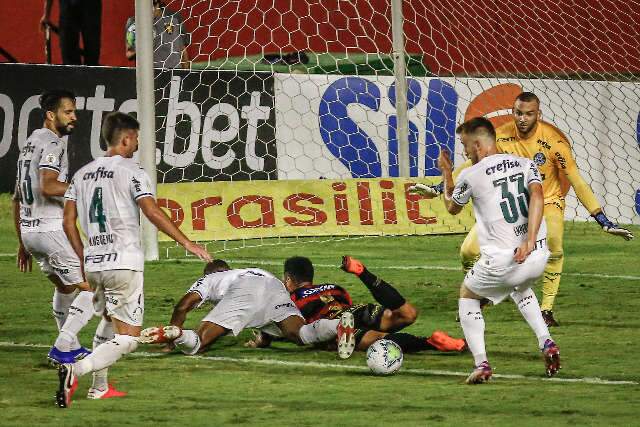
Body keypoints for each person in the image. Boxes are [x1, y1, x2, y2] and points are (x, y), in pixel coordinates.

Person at [412, 92, 634, 326]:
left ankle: (546, 309)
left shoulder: (554, 143)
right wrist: (440, 187)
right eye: (518, 113)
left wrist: (602, 219)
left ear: (539, 114)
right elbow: (474, 165)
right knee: (468, 251)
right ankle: (482, 293)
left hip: (547, 201)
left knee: (554, 244)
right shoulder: (501, 136)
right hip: (510, 204)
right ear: (513, 112)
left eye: (529, 114)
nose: (523, 119)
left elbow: (577, 181)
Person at [55, 112, 212, 408]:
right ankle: (76, 369)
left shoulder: (81, 174)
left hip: (94, 262)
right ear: (126, 138)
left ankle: (99, 388)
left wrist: (82, 257)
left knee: (107, 324)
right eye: (137, 137)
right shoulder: (133, 170)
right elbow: (151, 211)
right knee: (129, 338)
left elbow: (68, 222)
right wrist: (187, 242)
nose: (138, 143)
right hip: (123, 262)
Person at [439, 117, 560, 384]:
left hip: (503, 261)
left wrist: (447, 173)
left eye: (466, 145)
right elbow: (538, 197)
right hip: (537, 255)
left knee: (467, 297)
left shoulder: (471, 174)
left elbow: (451, 207)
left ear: (479, 144)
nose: (465, 151)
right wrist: (529, 240)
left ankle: (481, 363)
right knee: (519, 287)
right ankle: (547, 343)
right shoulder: (526, 164)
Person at [13, 89, 99, 369]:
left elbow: (17, 197)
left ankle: (71, 347)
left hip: (31, 232)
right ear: (51, 115)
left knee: (64, 286)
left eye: (74, 111)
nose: (74, 117)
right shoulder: (52, 144)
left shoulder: (29, 144)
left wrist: (22, 242)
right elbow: (48, 186)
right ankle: (63, 347)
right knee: (93, 287)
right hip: (51, 230)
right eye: (68, 112)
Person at [246, 256, 466, 355]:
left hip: (337, 325)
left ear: (288, 280)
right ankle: (363, 273)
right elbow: (346, 306)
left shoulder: (290, 300)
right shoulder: (334, 288)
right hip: (355, 309)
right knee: (406, 314)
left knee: (375, 339)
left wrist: (263, 339)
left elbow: (290, 329)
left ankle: (430, 342)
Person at [137, 263, 356, 360]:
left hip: (246, 290)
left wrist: (171, 340)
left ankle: (175, 335)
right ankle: (338, 326)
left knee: (198, 345)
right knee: (300, 334)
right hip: (274, 286)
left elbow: (183, 305)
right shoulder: (250, 270)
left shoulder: (209, 278)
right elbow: (259, 307)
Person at [125, 0, 190, 69]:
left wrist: (186, 75)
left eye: (153, 5)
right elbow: (129, 54)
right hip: (148, 74)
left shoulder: (175, 18)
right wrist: (144, 46)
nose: (150, 10)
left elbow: (183, 49)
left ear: (159, 3)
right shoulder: (133, 23)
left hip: (174, 72)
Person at [40, 0, 102, 65]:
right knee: (69, 56)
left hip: (89, 5)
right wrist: (46, 14)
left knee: (92, 53)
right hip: (69, 5)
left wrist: (46, 14)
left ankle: (91, 70)